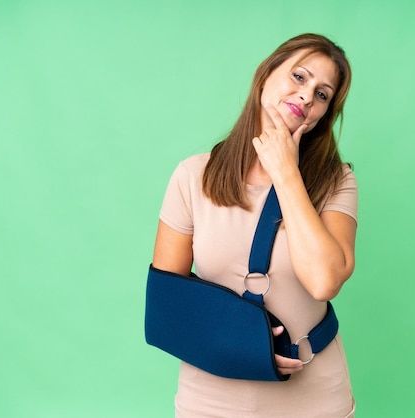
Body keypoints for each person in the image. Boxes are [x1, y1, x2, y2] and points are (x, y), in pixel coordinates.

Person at [151, 33, 358, 417]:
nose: (307, 96)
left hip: (313, 399)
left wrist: (286, 173)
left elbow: (324, 281)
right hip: (210, 399)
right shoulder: (192, 176)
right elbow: (168, 308)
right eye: (299, 77)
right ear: (265, 75)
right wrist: (243, 350)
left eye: (322, 94)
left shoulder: (336, 181)